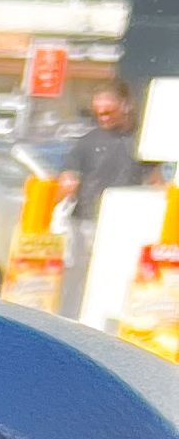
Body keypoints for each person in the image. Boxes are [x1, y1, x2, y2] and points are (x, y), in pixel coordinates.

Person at [61, 80, 146, 315]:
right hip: (86, 222)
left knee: (115, 278)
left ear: (125, 105)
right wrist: (66, 187)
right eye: (98, 112)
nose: (103, 117)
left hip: (125, 226)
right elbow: (68, 177)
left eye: (109, 112)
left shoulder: (140, 141)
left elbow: (155, 181)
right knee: (79, 278)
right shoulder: (87, 141)